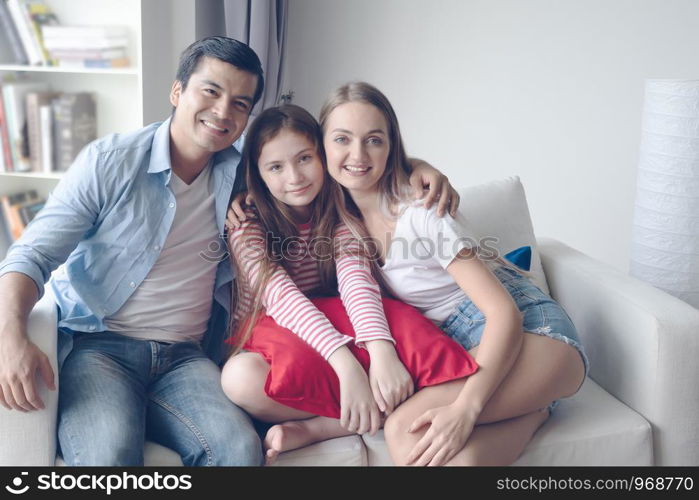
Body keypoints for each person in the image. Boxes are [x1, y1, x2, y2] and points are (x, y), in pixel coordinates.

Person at [0, 36, 269, 466]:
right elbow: (31, 255)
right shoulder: (109, 162)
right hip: (99, 348)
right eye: (211, 91)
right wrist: (10, 335)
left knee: (239, 450)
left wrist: (416, 169)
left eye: (240, 103)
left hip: (185, 357)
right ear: (177, 91)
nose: (223, 112)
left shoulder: (246, 174)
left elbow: (329, 175)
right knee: (108, 456)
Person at [317, 81, 589, 466]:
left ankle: (536, 401)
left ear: (391, 146)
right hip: (464, 349)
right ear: (322, 146)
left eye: (374, 140)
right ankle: (535, 412)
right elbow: (272, 163)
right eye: (342, 139)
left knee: (401, 428)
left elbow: (503, 312)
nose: (358, 154)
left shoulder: (423, 211)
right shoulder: (342, 222)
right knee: (442, 459)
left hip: (531, 333)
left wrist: (467, 409)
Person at [221, 104, 463, 464]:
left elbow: (356, 282)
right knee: (240, 379)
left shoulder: (339, 211)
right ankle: (346, 415)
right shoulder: (247, 222)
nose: (294, 177)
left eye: (305, 158)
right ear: (257, 175)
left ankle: (323, 426)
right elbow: (281, 297)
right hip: (279, 337)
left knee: (398, 355)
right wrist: (346, 366)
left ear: (324, 156)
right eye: (275, 167)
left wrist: (380, 354)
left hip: (340, 327)